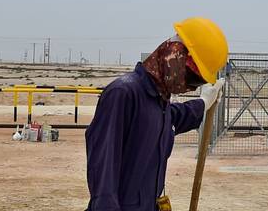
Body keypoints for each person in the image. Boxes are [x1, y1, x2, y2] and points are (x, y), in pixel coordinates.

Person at [85, 17, 228, 211]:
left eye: (197, 83)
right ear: (174, 52)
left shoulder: (160, 103)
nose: (189, 87)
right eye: (192, 77)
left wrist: (204, 102)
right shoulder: (123, 94)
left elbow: (175, 117)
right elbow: (103, 178)